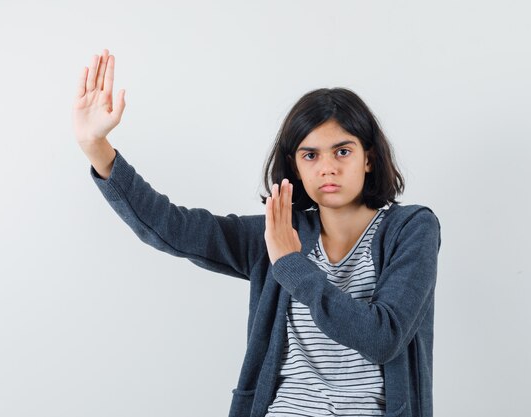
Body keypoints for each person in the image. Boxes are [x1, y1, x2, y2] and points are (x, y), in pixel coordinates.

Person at [73, 49, 442, 417]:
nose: (327, 168)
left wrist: (291, 264)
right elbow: (174, 228)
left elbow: (383, 338)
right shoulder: (276, 233)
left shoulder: (411, 228)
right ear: (295, 167)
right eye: (310, 155)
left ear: (368, 157)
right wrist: (97, 148)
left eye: (342, 151)